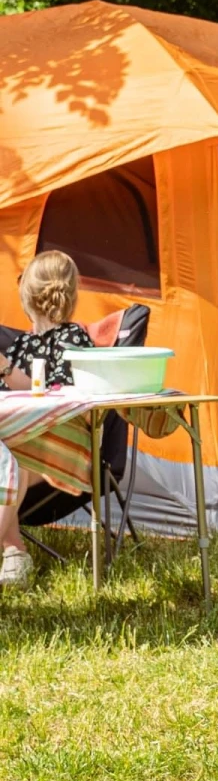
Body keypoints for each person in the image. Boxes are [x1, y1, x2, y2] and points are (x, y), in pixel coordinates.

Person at [0, 251, 95, 587]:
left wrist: (5, 368)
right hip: (19, 444)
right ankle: (14, 552)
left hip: (63, 449)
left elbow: (52, 399)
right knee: (7, 458)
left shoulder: (73, 340)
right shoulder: (21, 344)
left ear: (27, 295)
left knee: (10, 460)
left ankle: (13, 551)